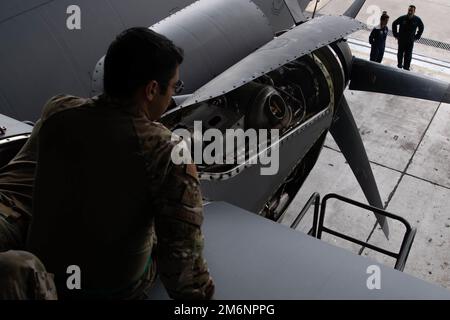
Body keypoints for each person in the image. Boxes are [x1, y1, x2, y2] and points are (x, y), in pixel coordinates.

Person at [26, 27, 215, 300]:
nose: (173, 94)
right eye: (174, 86)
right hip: (112, 290)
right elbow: (183, 267)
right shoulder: (166, 151)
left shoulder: (56, 110)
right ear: (151, 89)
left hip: (42, 278)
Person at [392, 5, 424, 71]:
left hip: (410, 41)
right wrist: (395, 34)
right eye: (409, 10)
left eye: (411, 10)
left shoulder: (417, 19)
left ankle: (406, 67)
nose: (410, 12)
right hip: (401, 40)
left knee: (408, 55)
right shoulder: (402, 18)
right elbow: (394, 23)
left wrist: (417, 36)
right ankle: (399, 66)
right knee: (400, 53)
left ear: (414, 11)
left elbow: (421, 27)